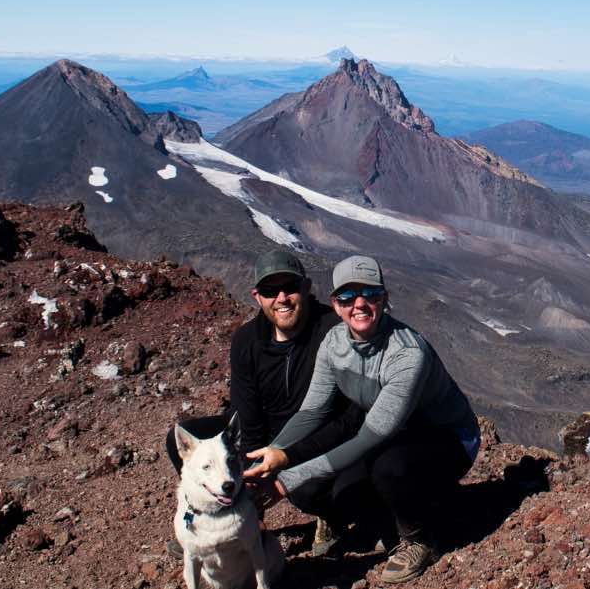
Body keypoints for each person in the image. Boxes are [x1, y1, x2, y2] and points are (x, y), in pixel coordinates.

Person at [245, 255, 480, 584]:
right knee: (343, 492)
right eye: (347, 297)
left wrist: (286, 478)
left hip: (448, 437)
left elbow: (371, 436)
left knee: (389, 469)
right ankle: (413, 509)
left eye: (370, 294)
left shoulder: (407, 353)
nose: (359, 304)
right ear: (335, 305)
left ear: (384, 298)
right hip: (397, 433)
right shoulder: (334, 344)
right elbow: (313, 411)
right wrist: (274, 453)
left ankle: (420, 539)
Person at [164, 250, 362, 544]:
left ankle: (332, 517)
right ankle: (225, 526)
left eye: (290, 288)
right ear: (257, 296)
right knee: (181, 439)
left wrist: (285, 459)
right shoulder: (247, 340)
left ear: (306, 288)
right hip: (265, 434)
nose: (281, 298)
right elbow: (246, 415)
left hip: (318, 438)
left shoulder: (332, 330)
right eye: (270, 291)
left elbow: (349, 414)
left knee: (306, 489)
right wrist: (255, 471)